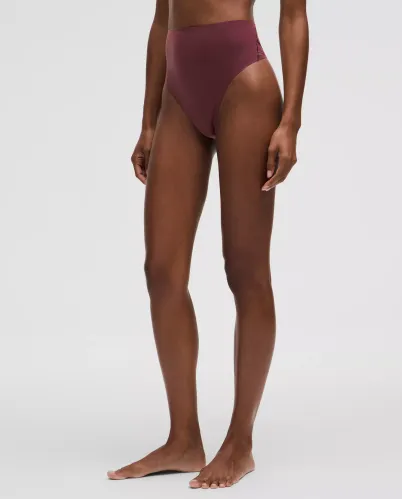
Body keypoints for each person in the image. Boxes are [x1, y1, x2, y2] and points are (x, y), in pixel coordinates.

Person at [107, 0, 308, 489]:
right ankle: (183, 439)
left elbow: (294, 16)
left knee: (245, 269)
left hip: (244, 81)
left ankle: (240, 443)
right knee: (161, 271)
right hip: (178, 91)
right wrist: (148, 120)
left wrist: (291, 122)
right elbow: (162, 18)